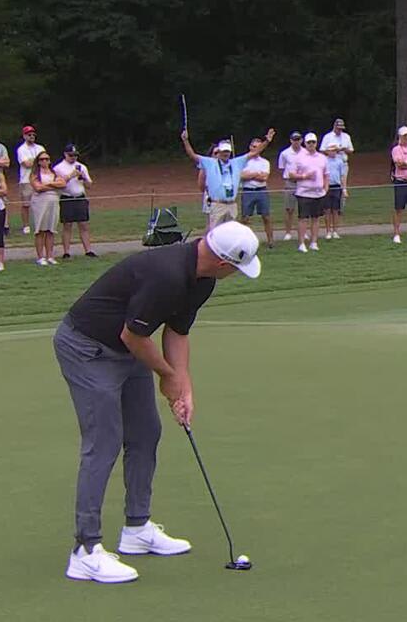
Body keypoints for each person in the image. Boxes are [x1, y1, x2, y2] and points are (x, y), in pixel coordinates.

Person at [56, 220, 261, 584]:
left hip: (127, 348)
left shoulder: (203, 280)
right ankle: (85, 550)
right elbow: (133, 335)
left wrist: (184, 387)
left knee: (145, 434)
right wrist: (166, 376)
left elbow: (177, 333)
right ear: (223, 262)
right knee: (103, 443)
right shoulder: (166, 275)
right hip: (87, 347)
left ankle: (137, 529)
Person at [182, 129, 273, 228]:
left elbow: (254, 152)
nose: (226, 153)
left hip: (232, 205)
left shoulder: (236, 163)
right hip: (217, 205)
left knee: (230, 233)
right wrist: (186, 141)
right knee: (215, 233)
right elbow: (192, 155)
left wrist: (267, 141)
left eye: (228, 151)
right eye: (224, 151)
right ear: (219, 151)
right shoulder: (210, 163)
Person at [52, 144, 96, 258]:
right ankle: (66, 252)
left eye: (75, 155)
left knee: (84, 224)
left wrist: (83, 178)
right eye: (71, 155)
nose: (73, 158)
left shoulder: (82, 167)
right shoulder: (58, 168)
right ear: (65, 154)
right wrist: (71, 176)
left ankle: (88, 250)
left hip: (80, 197)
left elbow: (89, 185)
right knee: (67, 225)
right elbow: (58, 185)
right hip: (67, 197)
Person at [287, 131, 328, 251]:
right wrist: (305, 176)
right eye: (309, 142)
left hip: (318, 193)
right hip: (304, 192)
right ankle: (301, 243)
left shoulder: (322, 158)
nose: (311, 144)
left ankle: (314, 242)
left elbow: (326, 174)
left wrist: (325, 188)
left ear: (316, 143)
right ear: (305, 143)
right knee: (303, 218)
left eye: (313, 142)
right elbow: (291, 174)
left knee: (316, 218)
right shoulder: (299, 158)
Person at [237, 135, 274, 248]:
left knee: (266, 216)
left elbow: (264, 177)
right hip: (247, 191)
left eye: (258, 147)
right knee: (245, 217)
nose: (256, 149)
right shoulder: (243, 160)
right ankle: (245, 241)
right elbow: (241, 176)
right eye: (254, 146)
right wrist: (256, 174)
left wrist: (250, 175)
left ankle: (270, 241)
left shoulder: (265, 162)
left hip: (261, 190)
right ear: (250, 147)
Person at [29, 149, 64, 264]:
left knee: (50, 230)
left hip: (53, 202)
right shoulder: (35, 174)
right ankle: (40, 257)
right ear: (38, 162)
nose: (45, 161)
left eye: (47, 159)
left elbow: (62, 184)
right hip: (40, 203)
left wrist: (48, 184)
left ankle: (50, 256)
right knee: (41, 230)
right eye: (42, 159)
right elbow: (38, 188)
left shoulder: (54, 173)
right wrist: (54, 186)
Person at [321, 118, 354, 238]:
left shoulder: (346, 137)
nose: (340, 130)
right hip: (328, 181)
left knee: (336, 208)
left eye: (342, 129)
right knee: (327, 209)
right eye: (338, 128)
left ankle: (335, 230)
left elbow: (351, 150)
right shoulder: (328, 137)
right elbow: (322, 149)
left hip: (342, 162)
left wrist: (343, 150)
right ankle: (328, 230)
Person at [276, 131, 307, 240]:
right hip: (290, 182)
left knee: (303, 208)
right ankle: (288, 232)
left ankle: (304, 232)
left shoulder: (306, 152)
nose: (296, 142)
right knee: (289, 208)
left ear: (301, 140)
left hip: (303, 182)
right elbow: (282, 168)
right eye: (294, 140)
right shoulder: (285, 153)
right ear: (291, 140)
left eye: (298, 139)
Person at [16, 125, 45, 234]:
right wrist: (38, 161)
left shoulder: (40, 148)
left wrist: (35, 161)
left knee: (41, 203)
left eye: (33, 134)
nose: (31, 136)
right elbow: (26, 164)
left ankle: (40, 224)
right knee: (26, 204)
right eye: (29, 134)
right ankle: (26, 226)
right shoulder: (21, 149)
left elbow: (45, 162)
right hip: (26, 180)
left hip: (40, 178)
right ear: (24, 136)